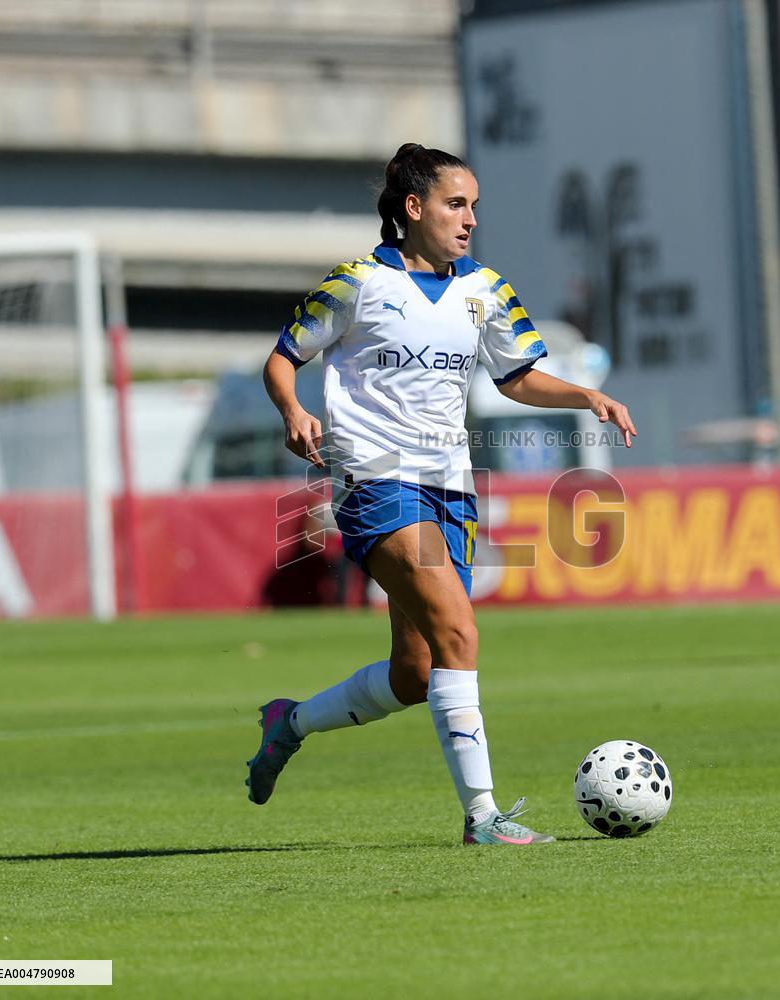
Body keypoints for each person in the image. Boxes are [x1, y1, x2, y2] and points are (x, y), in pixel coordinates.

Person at [247, 142, 637, 845]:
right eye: (457, 204)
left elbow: (517, 376)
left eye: (475, 207)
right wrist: (294, 410)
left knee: (415, 670)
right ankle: (483, 817)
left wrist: (585, 395)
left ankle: (291, 722)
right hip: (375, 480)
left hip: (450, 489)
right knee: (460, 630)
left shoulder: (485, 288)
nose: (470, 219)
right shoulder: (358, 283)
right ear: (414, 207)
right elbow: (282, 357)